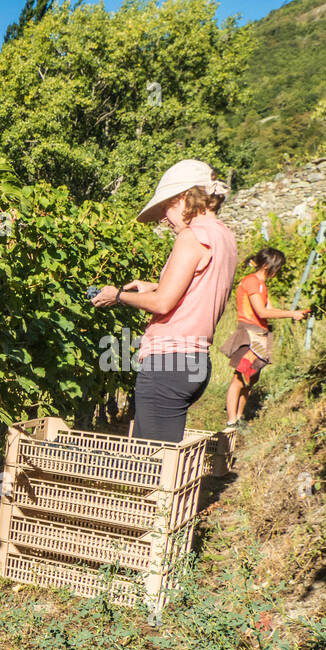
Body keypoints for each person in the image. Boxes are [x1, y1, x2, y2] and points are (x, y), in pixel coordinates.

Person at [91, 159, 237, 443]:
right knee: (155, 457)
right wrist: (155, 285)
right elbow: (202, 286)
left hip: (168, 362)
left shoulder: (191, 236)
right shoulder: (223, 236)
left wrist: (118, 296)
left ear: (184, 197)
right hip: (194, 361)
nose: (163, 218)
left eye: (165, 208)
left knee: (156, 466)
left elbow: (163, 303)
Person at [222, 247, 309, 429]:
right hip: (249, 335)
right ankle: (231, 421)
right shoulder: (252, 282)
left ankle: (239, 417)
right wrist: (291, 313)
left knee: (251, 379)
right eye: (277, 267)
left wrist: (293, 313)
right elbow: (262, 311)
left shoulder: (262, 285)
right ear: (266, 265)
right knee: (239, 378)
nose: (277, 271)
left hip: (260, 335)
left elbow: (268, 311)